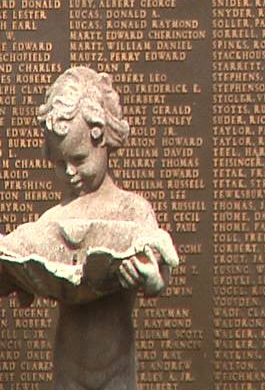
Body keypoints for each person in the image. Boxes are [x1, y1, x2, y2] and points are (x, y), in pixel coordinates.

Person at [0, 67, 176, 390]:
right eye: (58, 162)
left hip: (116, 369)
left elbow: (160, 266)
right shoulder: (54, 220)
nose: (69, 172)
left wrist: (153, 280)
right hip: (68, 369)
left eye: (79, 159)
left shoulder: (131, 209)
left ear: (103, 140)